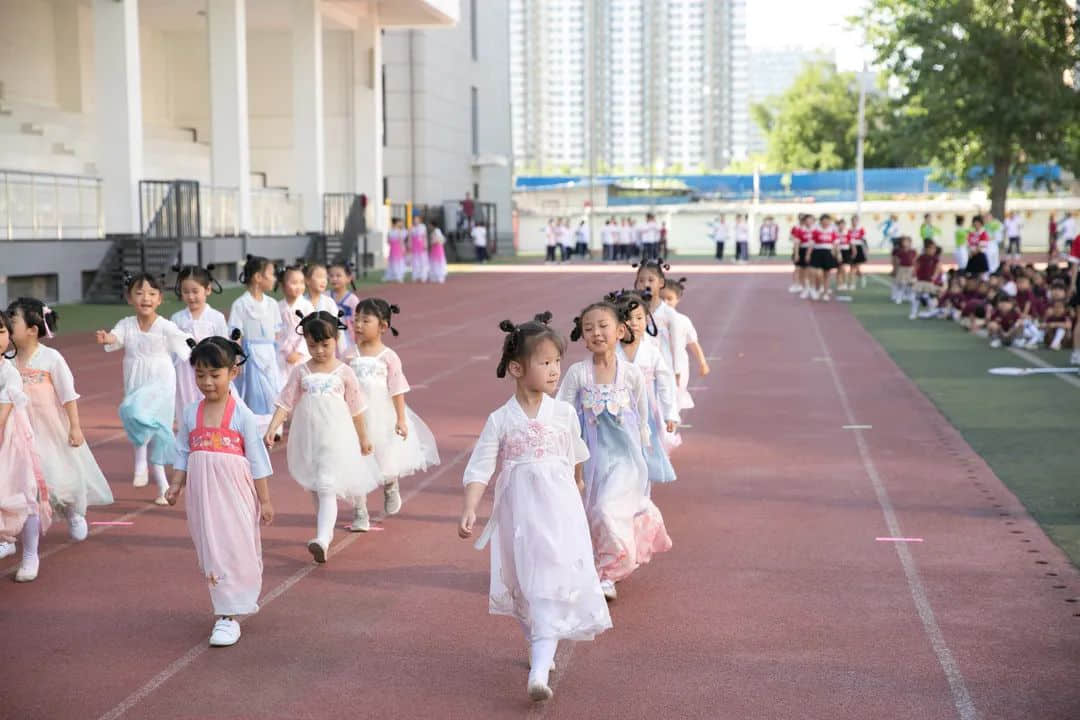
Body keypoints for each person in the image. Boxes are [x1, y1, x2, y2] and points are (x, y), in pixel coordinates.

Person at [458, 313, 611, 703]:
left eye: (557, 361)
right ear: (516, 368)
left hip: (559, 514)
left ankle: (539, 672)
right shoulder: (500, 420)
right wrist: (471, 507)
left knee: (549, 584)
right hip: (520, 518)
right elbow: (480, 466)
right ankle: (537, 643)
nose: (555, 369)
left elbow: (576, 452)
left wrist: (577, 480)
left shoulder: (561, 413)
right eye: (545, 362)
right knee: (528, 588)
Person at [557, 300, 672, 601]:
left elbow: (642, 409)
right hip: (589, 459)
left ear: (620, 331)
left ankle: (609, 573)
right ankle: (595, 567)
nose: (596, 333)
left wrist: (646, 443)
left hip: (625, 459)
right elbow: (563, 413)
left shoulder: (631, 374)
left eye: (603, 326)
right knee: (590, 513)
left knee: (607, 510)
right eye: (588, 328)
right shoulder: (578, 374)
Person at [166, 335, 274, 648]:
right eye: (200, 375)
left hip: (235, 492)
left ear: (233, 373)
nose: (207, 382)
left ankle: (228, 616)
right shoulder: (190, 413)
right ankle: (226, 609)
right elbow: (183, 451)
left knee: (235, 546)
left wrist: (264, 500)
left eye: (215, 375)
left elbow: (257, 460)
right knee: (212, 548)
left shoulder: (242, 415)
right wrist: (176, 484)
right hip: (202, 495)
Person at [264, 311, 382, 563]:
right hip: (309, 438)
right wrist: (273, 427)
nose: (319, 350)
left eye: (325, 344)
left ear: (336, 339)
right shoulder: (301, 371)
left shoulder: (344, 372)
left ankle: (322, 538)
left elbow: (357, 408)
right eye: (312, 345)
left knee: (327, 485)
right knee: (317, 488)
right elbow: (285, 402)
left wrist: (363, 438)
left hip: (336, 437)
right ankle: (323, 531)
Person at [7, 298, 112, 549]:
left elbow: (68, 395)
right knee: (29, 479)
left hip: (50, 427)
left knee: (60, 477)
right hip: (21, 431)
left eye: (13, 322)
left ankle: (73, 511)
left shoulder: (51, 358)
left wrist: (74, 427)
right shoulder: (7, 361)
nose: (8, 327)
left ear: (32, 330)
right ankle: (14, 533)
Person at [96, 272, 193, 505]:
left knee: (147, 420)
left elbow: (186, 342)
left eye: (151, 294)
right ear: (130, 298)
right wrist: (107, 338)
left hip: (161, 380)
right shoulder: (126, 325)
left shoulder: (166, 326)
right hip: (136, 379)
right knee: (139, 416)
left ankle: (143, 463)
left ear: (160, 298)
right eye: (139, 293)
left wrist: (203, 350)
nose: (145, 298)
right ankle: (162, 486)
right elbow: (115, 337)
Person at [346, 299, 439, 530]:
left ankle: (390, 484)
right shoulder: (349, 355)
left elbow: (397, 389)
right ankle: (360, 512)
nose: (358, 324)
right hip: (355, 418)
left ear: (383, 327)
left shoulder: (389, 357)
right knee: (356, 461)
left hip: (383, 415)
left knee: (385, 457)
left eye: (365, 320)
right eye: (356, 319)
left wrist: (400, 419)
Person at [0, 310, 50, 583]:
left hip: (12, 443)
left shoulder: (9, 374)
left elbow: (2, 417)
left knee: (23, 494)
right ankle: (6, 539)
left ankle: (30, 553)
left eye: (1, 331)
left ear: (9, 337)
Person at [610, 289, 679, 486]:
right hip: (616, 413)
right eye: (627, 318)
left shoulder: (651, 352)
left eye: (639, 318)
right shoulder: (610, 352)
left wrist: (670, 413)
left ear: (647, 320)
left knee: (644, 454)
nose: (633, 323)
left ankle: (642, 500)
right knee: (620, 456)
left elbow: (666, 383)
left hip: (646, 413)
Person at [229, 256, 286, 432]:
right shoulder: (241, 304)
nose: (274, 278)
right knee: (254, 392)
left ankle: (274, 427)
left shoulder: (272, 304)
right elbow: (235, 333)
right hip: (250, 355)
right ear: (258, 277)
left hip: (269, 354)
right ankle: (256, 428)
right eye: (271, 274)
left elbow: (277, 333)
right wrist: (237, 358)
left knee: (272, 388)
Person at [171, 265, 229, 426]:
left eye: (195, 291)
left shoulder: (216, 317)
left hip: (210, 371)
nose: (190, 296)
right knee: (187, 409)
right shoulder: (177, 319)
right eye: (185, 291)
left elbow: (224, 346)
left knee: (212, 406)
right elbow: (172, 350)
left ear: (207, 290)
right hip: (185, 372)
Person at [276, 264, 314, 373]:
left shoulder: (307, 306)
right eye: (294, 283)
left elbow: (310, 330)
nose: (299, 286)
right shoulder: (278, 307)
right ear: (283, 285)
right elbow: (276, 332)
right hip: (283, 352)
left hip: (302, 353)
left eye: (301, 282)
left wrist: (299, 352)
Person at [328, 261, 360, 356]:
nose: (334, 279)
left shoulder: (352, 300)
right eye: (331, 276)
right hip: (329, 336)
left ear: (348, 278)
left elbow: (357, 321)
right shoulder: (326, 296)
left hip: (347, 338)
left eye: (338, 276)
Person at [808, 213, 840, 301]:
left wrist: (838, 254)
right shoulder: (816, 230)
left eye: (828, 221)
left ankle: (825, 293)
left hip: (828, 253)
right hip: (817, 253)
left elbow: (836, 244)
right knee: (818, 274)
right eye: (824, 221)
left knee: (827, 275)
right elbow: (811, 243)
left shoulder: (833, 230)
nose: (826, 223)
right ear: (821, 222)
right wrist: (808, 254)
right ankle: (817, 290)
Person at [891, 237, 917, 304]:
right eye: (904, 242)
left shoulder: (913, 251)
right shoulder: (900, 251)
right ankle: (899, 297)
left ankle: (910, 297)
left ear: (910, 243)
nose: (905, 243)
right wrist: (895, 269)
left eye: (907, 241)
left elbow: (915, 261)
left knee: (911, 283)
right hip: (902, 269)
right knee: (901, 283)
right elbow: (897, 261)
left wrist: (915, 269)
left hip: (910, 269)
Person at [385, 217, 407, 283]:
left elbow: (388, 241)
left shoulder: (390, 231)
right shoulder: (398, 231)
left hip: (393, 248)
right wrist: (403, 248)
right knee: (398, 263)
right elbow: (401, 240)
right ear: (396, 223)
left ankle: (392, 276)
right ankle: (398, 277)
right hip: (397, 248)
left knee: (393, 262)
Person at [409, 215, 430, 282]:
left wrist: (425, 244)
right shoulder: (411, 228)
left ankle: (423, 276)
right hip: (415, 246)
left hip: (421, 245)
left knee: (423, 261)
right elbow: (410, 237)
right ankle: (415, 276)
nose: (415, 221)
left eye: (417, 219)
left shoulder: (423, 227)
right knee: (415, 262)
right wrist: (409, 245)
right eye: (414, 219)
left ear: (419, 220)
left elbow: (424, 236)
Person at [850, 215, 868, 288]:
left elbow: (864, 239)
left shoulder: (861, 229)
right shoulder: (849, 230)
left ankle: (862, 276)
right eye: (853, 220)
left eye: (856, 220)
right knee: (852, 267)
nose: (854, 222)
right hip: (851, 248)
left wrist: (866, 248)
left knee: (857, 267)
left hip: (859, 247)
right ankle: (852, 284)